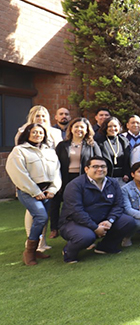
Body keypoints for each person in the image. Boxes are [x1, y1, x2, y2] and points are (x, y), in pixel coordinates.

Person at [59, 156, 136, 263]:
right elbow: (76, 211)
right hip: (74, 222)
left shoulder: (113, 183)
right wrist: (95, 227)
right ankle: (69, 252)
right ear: (86, 169)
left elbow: (118, 205)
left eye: (103, 166)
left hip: (103, 219)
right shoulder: (75, 185)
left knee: (128, 222)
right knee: (86, 237)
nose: (100, 169)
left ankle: (105, 247)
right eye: (95, 166)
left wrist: (110, 220)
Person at [6, 124, 61, 265]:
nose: (38, 135)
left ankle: (36, 250)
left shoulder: (50, 151)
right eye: (34, 132)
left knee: (42, 220)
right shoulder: (19, 151)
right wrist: (35, 191)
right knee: (41, 216)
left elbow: (56, 172)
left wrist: (53, 189)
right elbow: (18, 173)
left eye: (41, 133)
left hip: (47, 192)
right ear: (28, 133)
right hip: (28, 192)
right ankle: (29, 251)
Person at [17, 106, 65, 251]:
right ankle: (31, 242)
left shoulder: (55, 132)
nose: (41, 119)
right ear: (32, 117)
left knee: (45, 211)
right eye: (38, 116)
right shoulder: (23, 131)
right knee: (35, 212)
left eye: (44, 116)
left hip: (49, 178)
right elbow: (20, 158)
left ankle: (42, 242)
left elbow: (59, 153)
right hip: (31, 180)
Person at [52, 118, 102, 238]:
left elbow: (99, 161)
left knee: (82, 203)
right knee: (56, 202)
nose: (79, 129)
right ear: (71, 129)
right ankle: (54, 227)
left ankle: (84, 226)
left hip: (83, 178)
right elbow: (55, 163)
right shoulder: (62, 145)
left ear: (87, 130)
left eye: (82, 127)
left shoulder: (92, 145)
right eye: (76, 126)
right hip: (64, 177)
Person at [95, 117, 131, 186]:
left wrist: (127, 173)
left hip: (122, 179)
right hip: (105, 178)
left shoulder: (124, 141)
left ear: (119, 127)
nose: (113, 128)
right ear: (105, 127)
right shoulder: (99, 141)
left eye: (115, 126)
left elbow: (128, 160)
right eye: (110, 126)